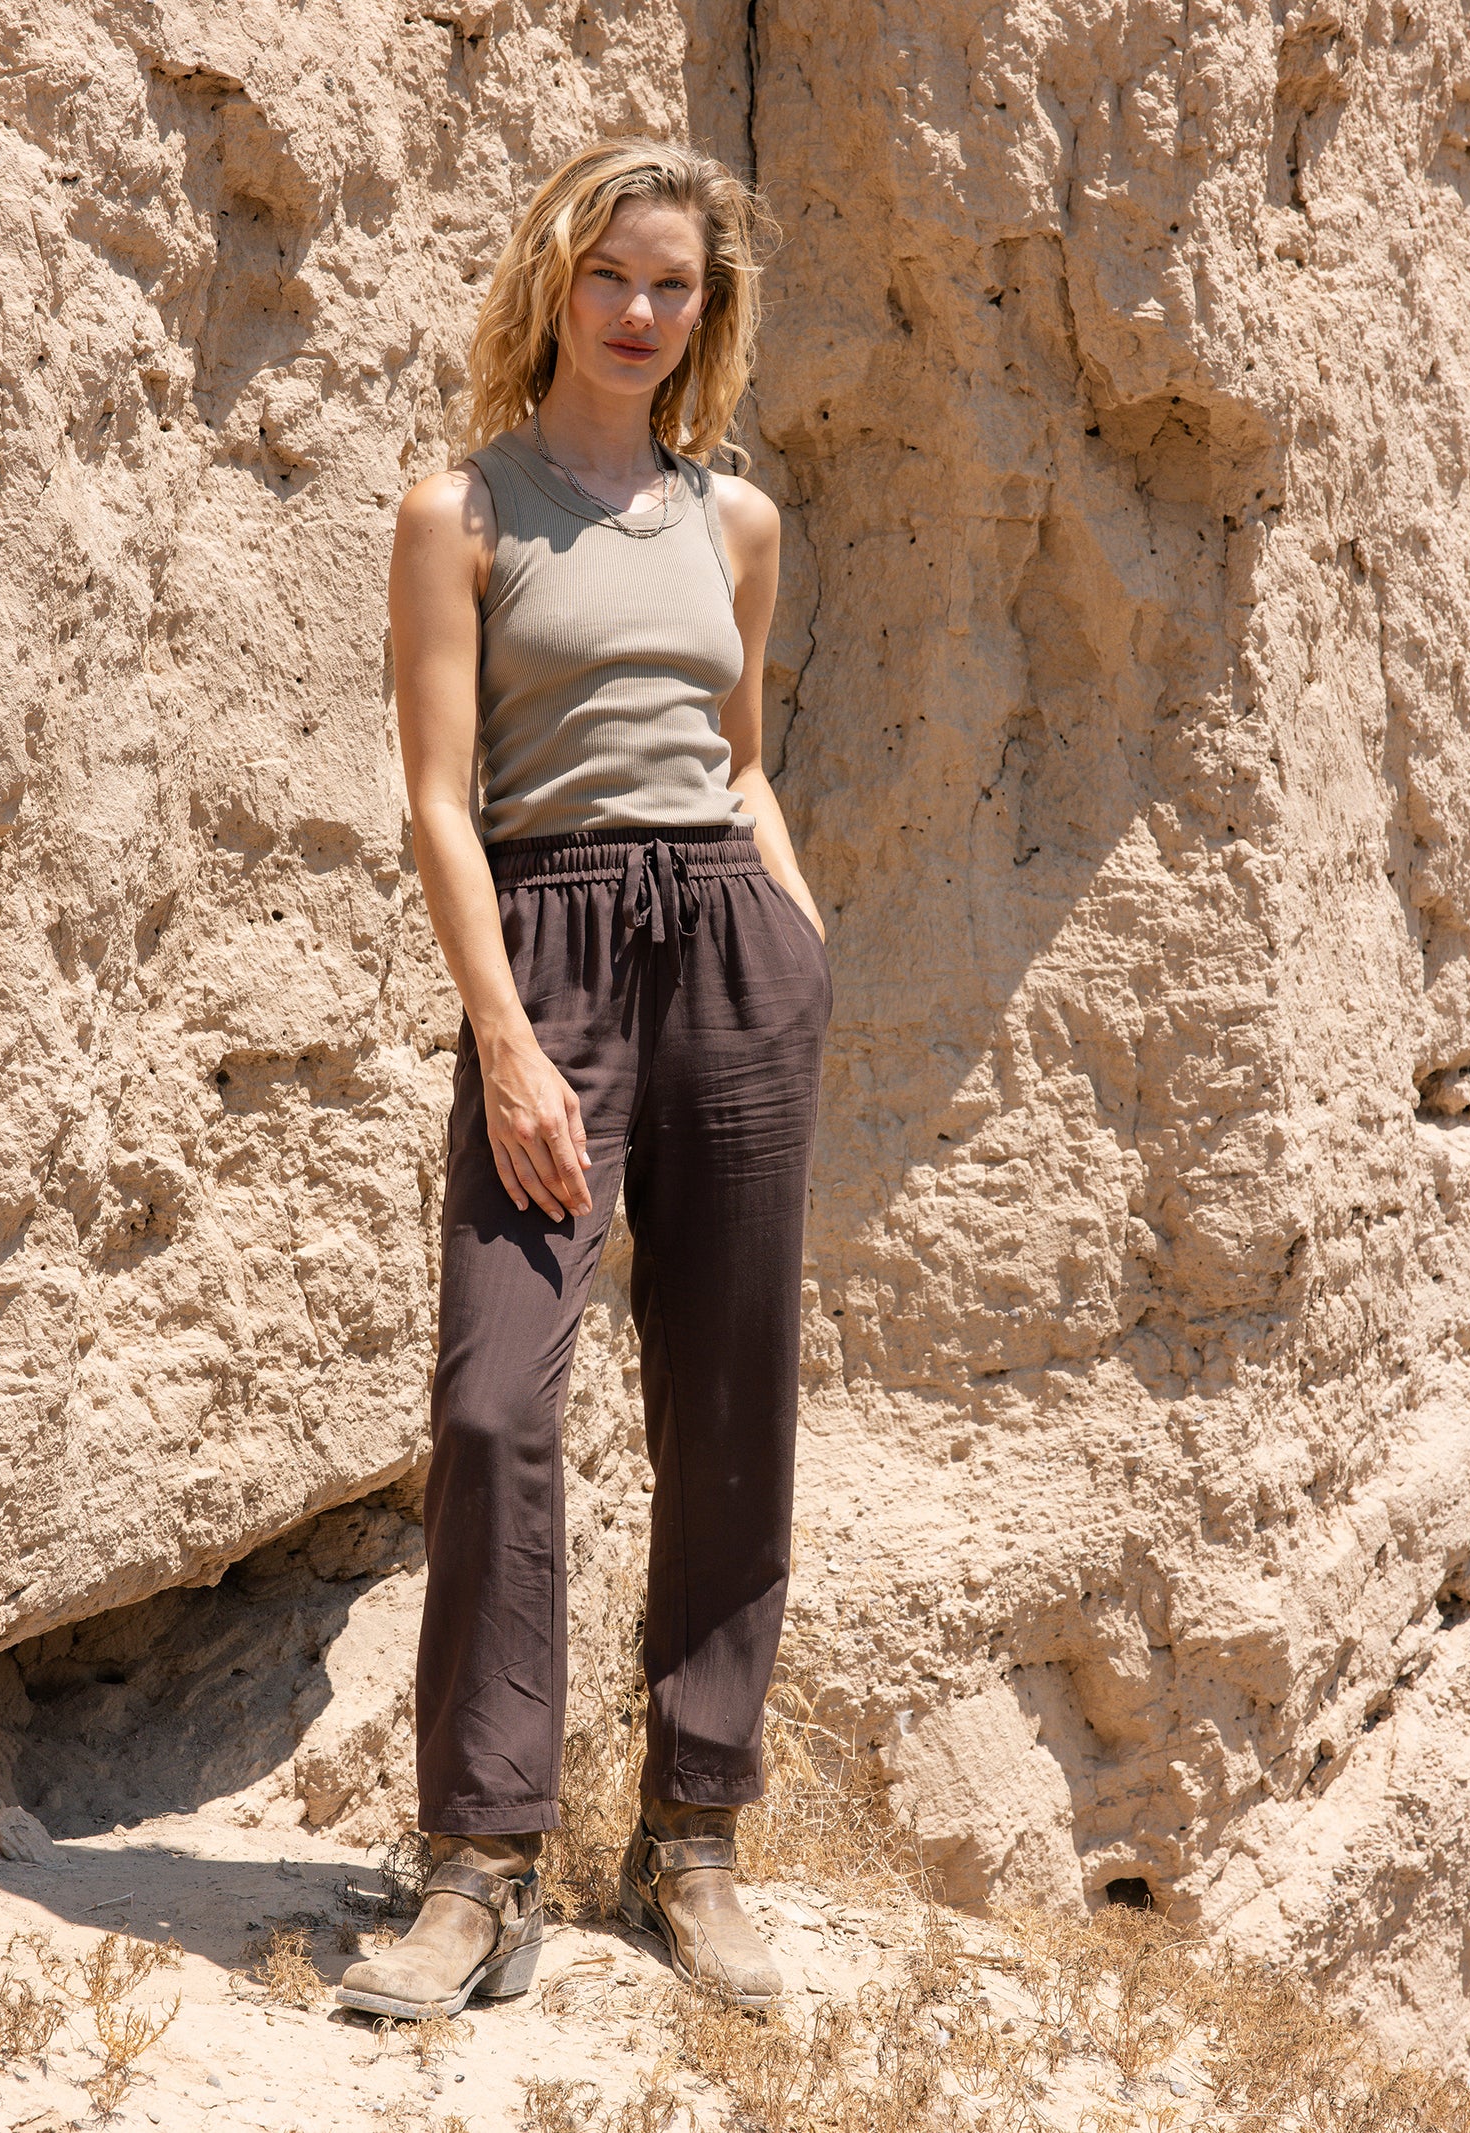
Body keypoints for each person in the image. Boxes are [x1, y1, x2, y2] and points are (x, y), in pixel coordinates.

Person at [337, 136, 832, 2023]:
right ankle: (476, 1862)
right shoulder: (460, 508)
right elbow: (441, 804)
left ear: (707, 312)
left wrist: (796, 934)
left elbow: (740, 751)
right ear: (558, 278)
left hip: (727, 949)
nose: (642, 311)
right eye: (615, 274)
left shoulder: (737, 524)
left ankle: (694, 1840)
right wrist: (508, 1040)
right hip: (546, 953)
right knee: (492, 1395)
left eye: (677, 287)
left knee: (729, 1400)